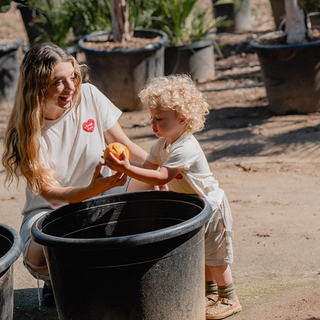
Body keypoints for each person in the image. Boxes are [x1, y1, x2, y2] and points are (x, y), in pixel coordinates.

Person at [1, 42, 155, 307]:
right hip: (54, 213)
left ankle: (125, 266)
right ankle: (58, 279)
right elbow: (51, 194)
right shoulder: (25, 134)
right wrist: (91, 190)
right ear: (37, 87)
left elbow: (128, 147)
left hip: (106, 195)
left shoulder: (89, 96)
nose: (71, 87)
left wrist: (161, 169)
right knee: (39, 254)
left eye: (72, 76)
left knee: (153, 185)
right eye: (58, 82)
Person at [104, 74, 242, 319]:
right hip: (195, 208)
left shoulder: (185, 146)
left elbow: (160, 177)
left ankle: (229, 298)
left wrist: (126, 168)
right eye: (151, 118)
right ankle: (210, 294)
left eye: (159, 119)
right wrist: (128, 199)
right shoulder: (162, 144)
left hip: (212, 206)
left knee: (216, 256)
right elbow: (146, 172)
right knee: (202, 253)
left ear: (183, 119)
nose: (153, 124)